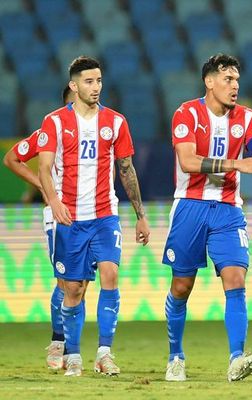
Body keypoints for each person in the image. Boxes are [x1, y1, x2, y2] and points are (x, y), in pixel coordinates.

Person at [161, 54, 252, 383]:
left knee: (236, 280)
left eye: (237, 80)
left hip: (228, 210)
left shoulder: (247, 118)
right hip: (190, 206)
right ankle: (175, 356)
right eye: (227, 79)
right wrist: (235, 165)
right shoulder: (186, 113)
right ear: (209, 82)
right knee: (182, 287)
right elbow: (187, 161)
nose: (235, 85)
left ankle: (236, 358)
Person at [38, 56, 151, 377]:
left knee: (110, 276)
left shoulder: (115, 122)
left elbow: (126, 169)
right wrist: (54, 201)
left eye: (99, 81)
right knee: (72, 289)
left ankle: (104, 353)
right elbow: (44, 168)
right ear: (73, 86)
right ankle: (73, 354)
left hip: (105, 216)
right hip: (70, 219)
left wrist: (140, 216)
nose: (96, 87)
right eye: (89, 82)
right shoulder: (55, 122)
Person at [3, 86, 77, 370]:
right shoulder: (50, 131)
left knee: (81, 282)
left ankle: (78, 346)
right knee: (65, 279)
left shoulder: (99, 129)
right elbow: (11, 158)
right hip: (59, 213)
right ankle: (60, 342)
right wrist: (42, 186)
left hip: (92, 212)